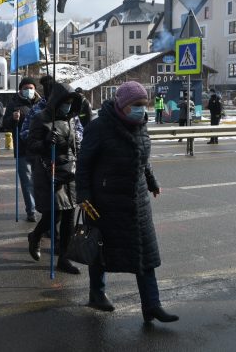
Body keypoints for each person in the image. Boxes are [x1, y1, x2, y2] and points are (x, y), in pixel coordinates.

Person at [75, 81, 179, 324]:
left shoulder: (140, 126)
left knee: (145, 253)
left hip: (137, 202)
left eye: (144, 105)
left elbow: (142, 159)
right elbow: (84, 163)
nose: (142, 110)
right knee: (101, 250)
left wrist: (152, 181)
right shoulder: (99, 127)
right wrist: (83, 195)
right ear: (122, 105)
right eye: (136, 105)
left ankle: (152, 305)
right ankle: (97, 294)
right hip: (105, 201)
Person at [26, 82, 82, 275]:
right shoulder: (41, 118)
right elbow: (31, 145)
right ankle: (35, 236)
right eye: (64, 102)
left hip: (70, 172)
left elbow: (75, 145)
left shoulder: (71, 120)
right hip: (49, 171)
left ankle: (64, 258)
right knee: (54, 214)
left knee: (69, 218)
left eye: (70, 102)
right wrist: (45, 142)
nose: (67, 106)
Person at [3, 77, 41, 222]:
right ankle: (31, 210)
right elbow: (4, 124)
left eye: (31, 88)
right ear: (20, 90)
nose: (28, 90)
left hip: (39, 149)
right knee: (27, 181)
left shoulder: (41, 104)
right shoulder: (14, 104)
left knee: (40, 181)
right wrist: (13, 119)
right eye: (25, 88)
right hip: (22, 149)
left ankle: (42, 207)